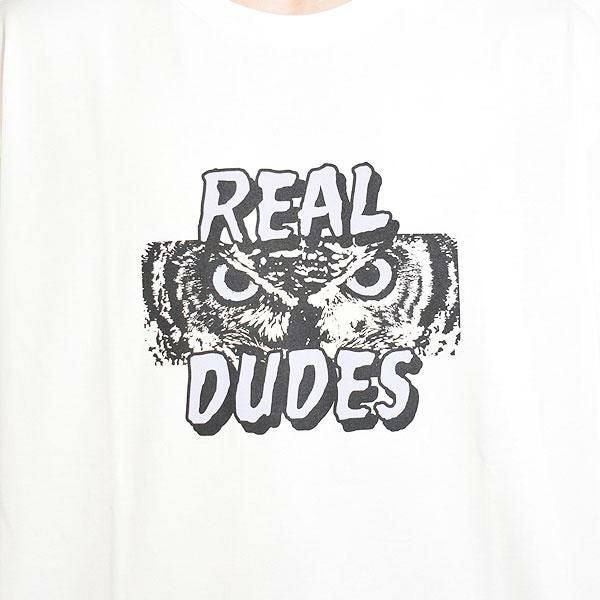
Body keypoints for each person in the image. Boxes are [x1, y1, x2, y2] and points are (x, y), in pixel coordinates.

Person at [1, 1, 599, 599]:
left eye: (370, 279)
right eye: (235, 282)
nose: (305, 323)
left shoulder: (562, 45)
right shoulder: (42, 51)